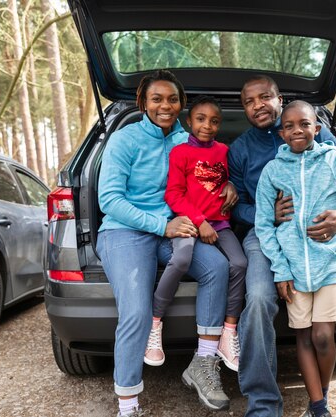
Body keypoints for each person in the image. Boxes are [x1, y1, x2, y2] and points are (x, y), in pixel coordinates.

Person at [228, 75, 336, 417]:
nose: (258, 105)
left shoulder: (321, 140)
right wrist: (267, 213)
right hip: (265, 235)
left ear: (279, 100)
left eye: (265, 97)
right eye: (250, 101)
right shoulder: (240, 149)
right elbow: (236, 205)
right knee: (261, 299)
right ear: (245, 108)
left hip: (328, 236)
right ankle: (263, 405)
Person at [97, 70, 234, 416]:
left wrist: (228, 187)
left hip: (175, 225)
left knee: (217, 267)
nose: (165, 105)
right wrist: (162, 225)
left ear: (182, 104)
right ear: (143, 102)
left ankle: (203, 363)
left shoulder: (186, 141)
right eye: (157, 98)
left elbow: (207, 179)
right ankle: (128, 407)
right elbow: (109, 200)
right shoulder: (124, 140)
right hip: (125, 231)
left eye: (172, 99)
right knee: (137, 312)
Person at [254, 100, 336, 417]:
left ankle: (320, 395)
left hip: (331, 263)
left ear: (317, 128)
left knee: (323, 337)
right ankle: (319, 407)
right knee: (304, 336)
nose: (298, 130)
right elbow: (263, 226)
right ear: (281, 133)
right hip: (294, 269)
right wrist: (280, 269)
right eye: (290, 126)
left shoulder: (334, 161)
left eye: (305, 124)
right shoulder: (272, 171)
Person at [144, 95, 246, 373]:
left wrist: (233, 184)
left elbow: (232, 177)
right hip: (189, 222)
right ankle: (154, 322)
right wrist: (199, 221)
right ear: (189, 121)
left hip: (220, 224)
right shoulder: (180, 152)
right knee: (181, 258)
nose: (207, 126)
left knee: (239, 263)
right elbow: (173, 194)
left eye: (214, 121)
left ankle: (229, 331)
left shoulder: (224, 151)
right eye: (200, 119)